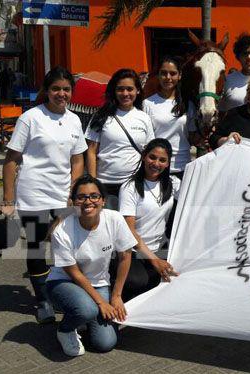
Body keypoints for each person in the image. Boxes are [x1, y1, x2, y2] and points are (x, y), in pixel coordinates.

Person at [0, 66, 87, 324]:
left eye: (66, 89)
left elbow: (78, 159)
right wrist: (8, 198)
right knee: (37, 247)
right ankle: (43, 301)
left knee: (69, 245)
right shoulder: (31, 118)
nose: (61, 94)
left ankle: (65, 293)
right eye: (56, 89)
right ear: (47, 91)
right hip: (34, 193)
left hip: (64, 196)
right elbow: (11, 159)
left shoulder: (74, 120)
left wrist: (73, 191)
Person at [47, 176, 137, 356]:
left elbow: (125, 256)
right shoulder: (62, 231)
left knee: (105, 343)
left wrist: (116, 296)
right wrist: (101, 302)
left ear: (103, 200)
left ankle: (83, 317)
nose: (88, 201)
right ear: (73, 202)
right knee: (87, 308)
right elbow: (76, 275)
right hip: (64, 282)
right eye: (81, 197)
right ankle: (65, 329)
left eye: (94, 196)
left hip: (99, 283)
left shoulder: (114, 219)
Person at [118, 138, 180, 301]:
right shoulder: (129, 187)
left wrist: (226, 146)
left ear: (168, 163)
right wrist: (154, 260)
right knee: (138, 281)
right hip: (135, 251)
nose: (156, 163)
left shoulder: (174, 183)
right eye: (152, 157)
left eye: (162, 160)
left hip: (162, 247)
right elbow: (129, 231)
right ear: (144, 156)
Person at [86, 68, 155, 208]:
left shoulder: (144, 118)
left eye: (130, 89)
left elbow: (149, 151)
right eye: (120, 89)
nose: (125, 94)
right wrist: (93, 183)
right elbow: (91, 152)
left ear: (138, 91)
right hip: (105, 184)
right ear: (114, 91)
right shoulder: (101, 116)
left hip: (134, 185)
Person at [142, 56, 195, 179]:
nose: (168, 78)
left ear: (179, 75)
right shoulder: (147, 104)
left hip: (182, 166)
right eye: (164, 73)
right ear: (158, 75)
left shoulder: (188, 104)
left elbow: (192, 136)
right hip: (156, 168)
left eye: (173, 73)